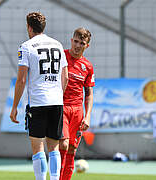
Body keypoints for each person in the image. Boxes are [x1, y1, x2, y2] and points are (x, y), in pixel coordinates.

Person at [10, 12, 68, 180]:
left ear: (29, 27)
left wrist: (14, 107)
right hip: (57, 101)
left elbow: (21, 80)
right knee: (54, 147)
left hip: (38, 102)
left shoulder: (26, 46)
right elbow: (66, 77)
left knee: (38, 147)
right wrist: (58, 94)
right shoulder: (58, 45)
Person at [59, 28, 95, 180]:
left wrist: (87, 117)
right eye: (76, 41)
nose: (78, 45)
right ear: (71, 40)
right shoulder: (61, 57)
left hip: (77, 111)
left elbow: (89, 94)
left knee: (72, 149)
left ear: (87, 46)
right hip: (61, 108)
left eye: (82, 43)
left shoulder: (87, 66)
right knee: (63, 146)